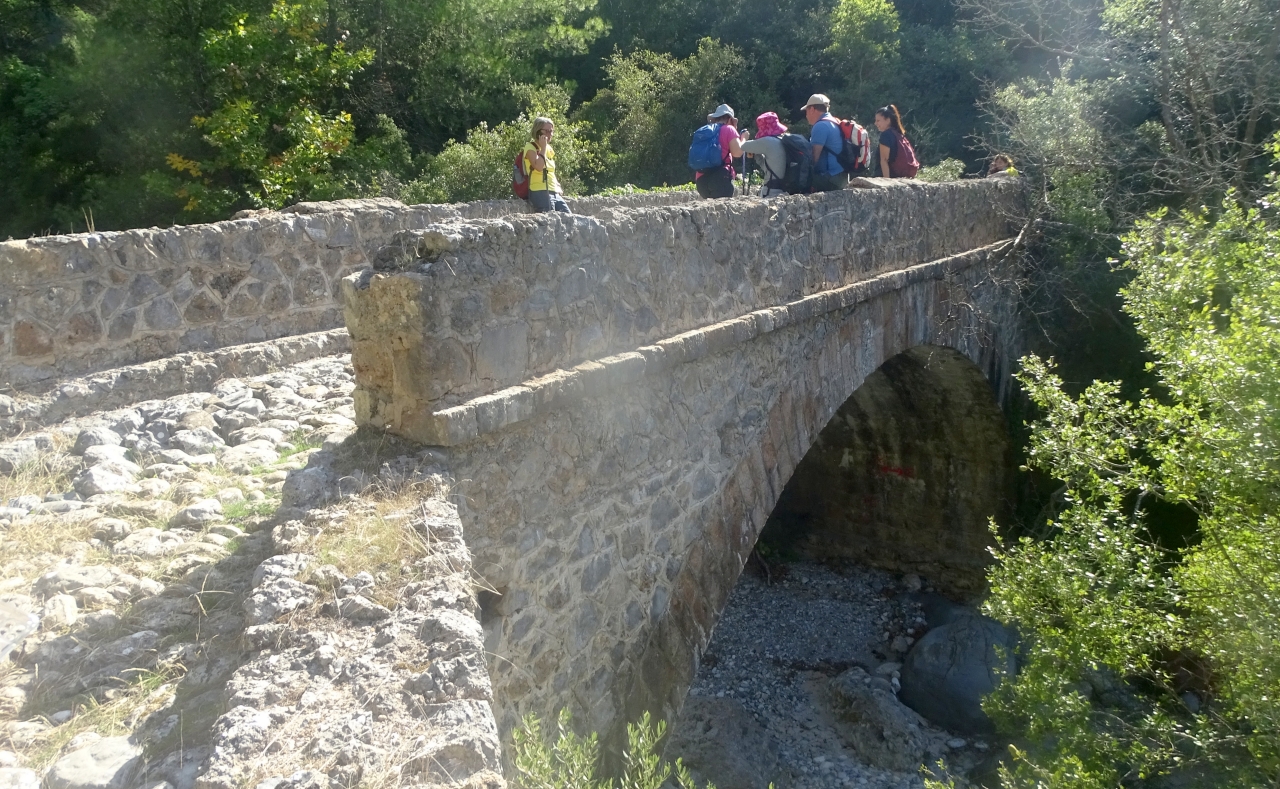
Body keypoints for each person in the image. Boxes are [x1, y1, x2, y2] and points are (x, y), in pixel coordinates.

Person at [695, 104, 750, 199]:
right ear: (730, 119)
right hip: (721, 179)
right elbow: (737, 152)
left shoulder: (705, 130)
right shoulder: (729, 129)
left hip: (701, 181)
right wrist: (744, 138)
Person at [522, 117, 570, 213]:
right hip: (539, 191)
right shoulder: (530, 147)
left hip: (554, 191)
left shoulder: (549, 148)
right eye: (547, 131)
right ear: (538, 131)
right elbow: (539, 167)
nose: (550, 134)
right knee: (551, 219)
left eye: (551, 131)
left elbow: (550, 170)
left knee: (569, 218)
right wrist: (543, 148)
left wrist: (557, 185)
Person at [802, 94, 846, 192]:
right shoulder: (835, 121)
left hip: (831, 179)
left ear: (812, 109)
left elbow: (814, 158)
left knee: (796, 181)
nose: (806, 115)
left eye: (806, 111)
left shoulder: (820, 126)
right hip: (841, 177)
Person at [741, 112, 789, 197]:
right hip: (785, 190)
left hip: (771, 192)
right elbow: (769, 168)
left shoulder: (768, 141)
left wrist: (743, 137)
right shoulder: (783, 140)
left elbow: (743, 146)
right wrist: (757, 155)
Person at [873, 104, 916, 179]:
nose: (875, 123)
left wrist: (887, 182)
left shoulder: (886, 135)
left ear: (888, 120)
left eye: (878, 120)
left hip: (886, 178)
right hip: (899, 177)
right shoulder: (898, 134)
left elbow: (884, 160)